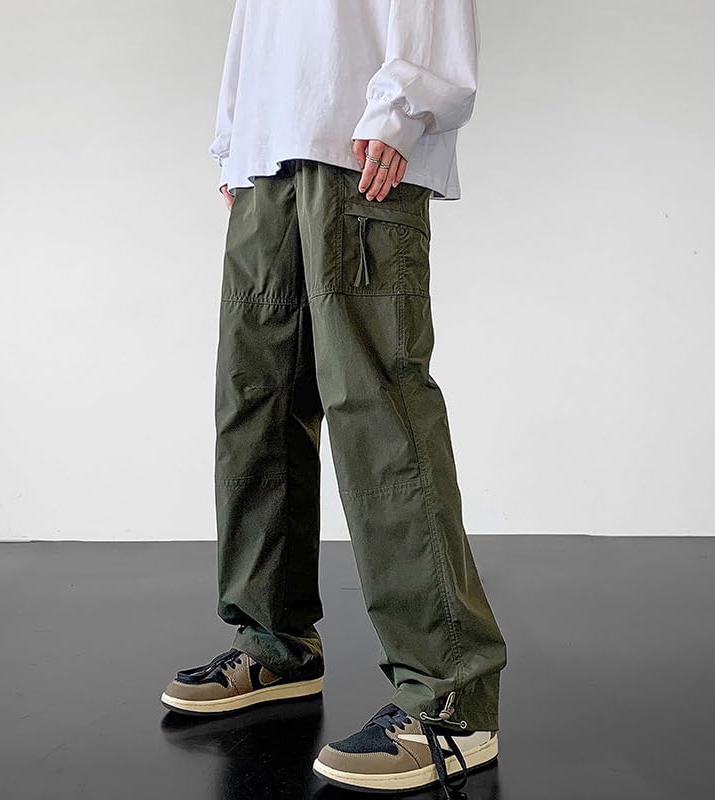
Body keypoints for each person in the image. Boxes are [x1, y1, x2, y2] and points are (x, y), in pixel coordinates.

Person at [159, 1, 507, 795]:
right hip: (268, 154)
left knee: (378, 414)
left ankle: (453, 698)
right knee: (255, 402)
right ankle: (275, 643)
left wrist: (404, 106)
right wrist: (235, 140)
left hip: (360, 143)